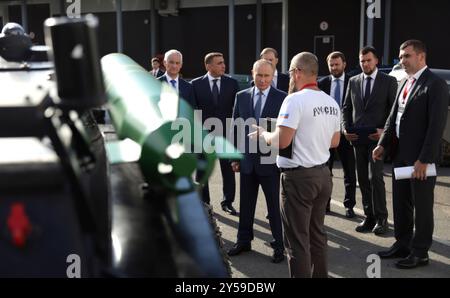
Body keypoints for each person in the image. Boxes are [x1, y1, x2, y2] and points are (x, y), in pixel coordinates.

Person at [250, 52, 341, 277]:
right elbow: (335, 141)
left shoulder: (294, 99)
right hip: (322, 176)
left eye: (290, 71)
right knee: (317, 236)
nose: (290, 76)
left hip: (298, 178)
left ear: (298, 72)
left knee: (297, 242)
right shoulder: (330, 101)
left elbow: (282, 140)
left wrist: (264, 135)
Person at [373, 40, 449, 269]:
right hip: (401, 157)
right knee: (401, 203)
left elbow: (436, 127)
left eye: (407, 56)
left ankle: (420, 252)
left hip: (420, 161)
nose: (402, 61)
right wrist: (383, 144)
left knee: (422, 207)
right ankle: (402, 244)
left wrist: (424, 159)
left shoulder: (434, 85)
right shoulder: (405, 82)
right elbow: (393, 117)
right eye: (401, 56)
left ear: (421, 57)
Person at [227, 59, 287, 263]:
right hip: (246, 160)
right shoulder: (241, 96)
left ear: (273, 75)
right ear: (252, 74)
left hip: (270, 162)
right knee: (246, 204)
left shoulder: (282, 98)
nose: (262, 80)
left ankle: (280, 246)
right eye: (259, 75)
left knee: (274, 208)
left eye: (267, 76)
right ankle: (243, 240)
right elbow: (235, 128)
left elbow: (284, 131)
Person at [342, 46, 397, 235]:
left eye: (368, 60)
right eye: (362, 61)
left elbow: (393, 110)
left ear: (376, 61)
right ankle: (369, 216)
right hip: (357, 139)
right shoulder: (353, 81)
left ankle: (382, 219)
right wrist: (344, 129)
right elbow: (346, 108)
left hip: (378, 139)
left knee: (376, 178)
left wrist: (384, 132)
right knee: (363, 179)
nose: (365, 64)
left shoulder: (388, 81)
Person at [191, 52, 239, 215]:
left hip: (226, 135)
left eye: (223, 62)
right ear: (208, 66)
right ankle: (204, 202)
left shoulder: (232, 83)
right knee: (202, 170)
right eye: (219, 63)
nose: (223, 66)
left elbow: (236, 111)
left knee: (228, 170)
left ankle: (227, 202)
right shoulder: (196, 84)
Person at [318, 51, 356, 218]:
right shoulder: (322, 83)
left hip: (347, 133)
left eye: (337, 64)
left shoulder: (353, 82)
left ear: (344, 64)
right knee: (325, 171)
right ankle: (324, 204)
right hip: (326, 134)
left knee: (349, 171)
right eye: (331, 65)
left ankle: (349, 205)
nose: (334, 68)